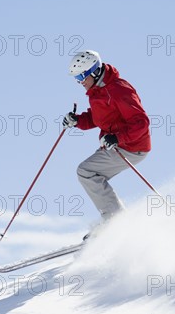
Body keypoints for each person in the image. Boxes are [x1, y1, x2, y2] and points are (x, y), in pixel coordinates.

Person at [63, 50, 151, 236]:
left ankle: (115, 222)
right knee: (90, 173)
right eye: (76, 78)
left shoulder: (119, 89)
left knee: (86, 172)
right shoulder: (97, 92)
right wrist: (77, 121)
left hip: (131, 146)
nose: (80, 81)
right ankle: (115, 220)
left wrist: (118, 138)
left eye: (81, 76)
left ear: (94, 71)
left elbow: (142, 122)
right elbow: (97, 118)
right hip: (119, 145)